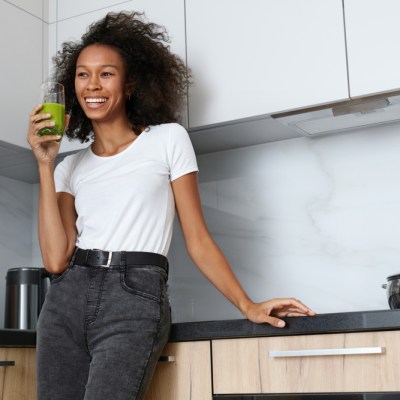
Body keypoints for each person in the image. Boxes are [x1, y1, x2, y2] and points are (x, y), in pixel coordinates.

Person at [27, 11, 316, 400]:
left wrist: (246, 304)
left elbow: (197, 239)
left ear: (130, 85)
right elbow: (56, 260)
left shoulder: (167, 141)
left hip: (133, 297)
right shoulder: (69, 167)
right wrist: (45, 163)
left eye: (106, 73)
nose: (92, 85)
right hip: (65, 300)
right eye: (83, 74)